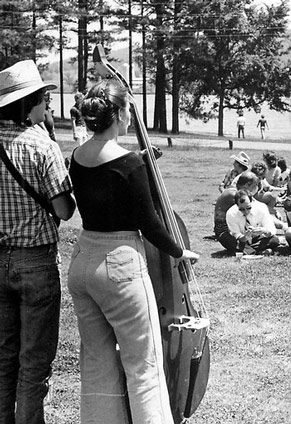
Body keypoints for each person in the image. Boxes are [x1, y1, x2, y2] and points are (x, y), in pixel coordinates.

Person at [66, 79, 200, 423]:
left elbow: (104, 178)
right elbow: (150, 223)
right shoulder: (129, 164)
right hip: (119, 262)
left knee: (96, 363)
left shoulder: (78, 158)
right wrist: (178, 252)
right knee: (144, 364)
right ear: (121, 114)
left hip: (83, 259)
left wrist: (138, 160)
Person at [0, 59, 75, 424]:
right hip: (36, 261)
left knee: (4, 358)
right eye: (44, 98)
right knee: (33, 364)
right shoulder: (40, 144)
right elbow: (64, 210)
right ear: (30, 101)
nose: (48, 105)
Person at [214, 171, 260, 250]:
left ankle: (251, 248)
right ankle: (253, 249)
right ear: (247, 185)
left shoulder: (240, 194)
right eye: (253, 186)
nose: (254, 189)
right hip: (225, 231)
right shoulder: (233, 194)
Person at [225, 190, 280, 255]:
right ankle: (259, 251)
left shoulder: (261, 208)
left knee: (274, 240)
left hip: (259, 238)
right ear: (237, 205)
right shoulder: (231, 213)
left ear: (252, 202)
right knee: (228, 240)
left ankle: (249, 251)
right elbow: (235, 234)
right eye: (241, 209)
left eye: (248, 208)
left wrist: (263, 230)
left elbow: (271, 229)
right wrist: (244, 237)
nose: (246, 212)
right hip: (242, 241)